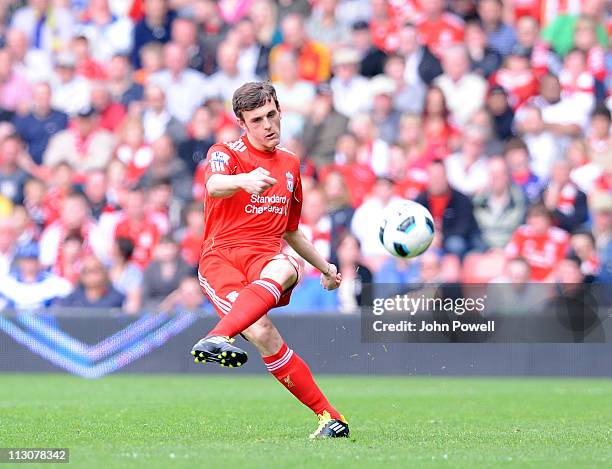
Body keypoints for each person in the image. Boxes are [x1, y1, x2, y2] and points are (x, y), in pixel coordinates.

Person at [191, 82, 348, 439]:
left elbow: (292, 231)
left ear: (280, 111)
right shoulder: (225, 152)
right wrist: (244, 180)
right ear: (242, 124)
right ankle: (329, 415)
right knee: (262, 332)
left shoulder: (291, 164)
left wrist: (326, 269)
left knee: (289, 264)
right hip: (222, 260)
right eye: (257, 119)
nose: (268, 125)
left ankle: (217, 337)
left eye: (272, 115)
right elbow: (214, 185)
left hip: (263, 257)